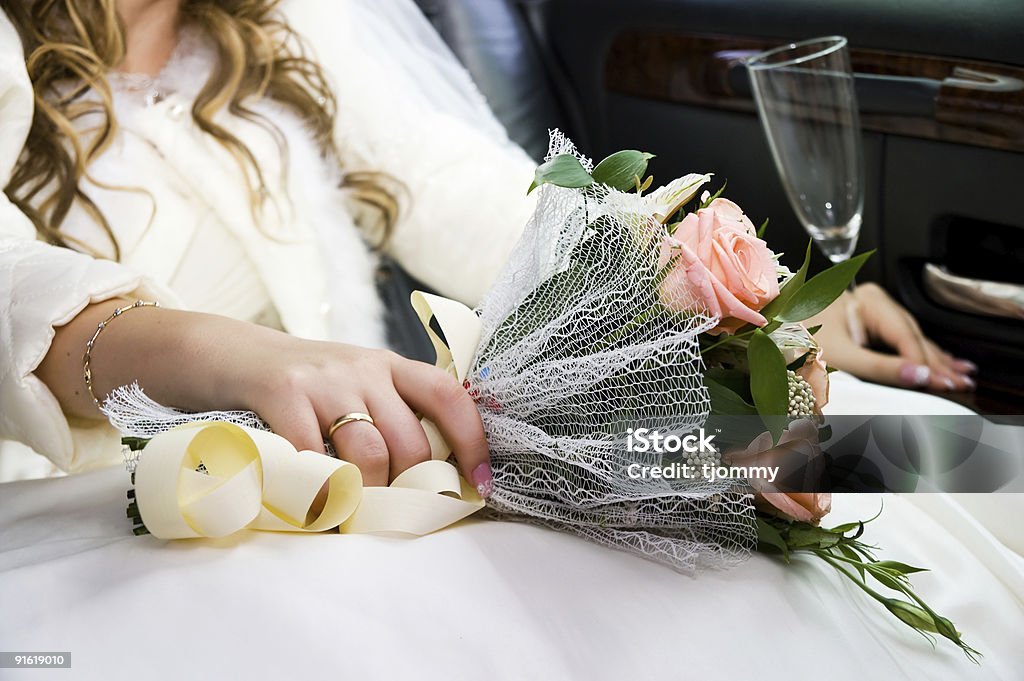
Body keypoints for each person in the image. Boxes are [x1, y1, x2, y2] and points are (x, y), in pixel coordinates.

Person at [0, 0, 975, 485]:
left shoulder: (289, 20)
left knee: (858, 465)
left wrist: (723, 293)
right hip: (109, 511)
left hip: (363, 486)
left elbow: (467, 196)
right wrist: (215, 352)